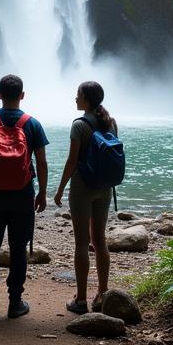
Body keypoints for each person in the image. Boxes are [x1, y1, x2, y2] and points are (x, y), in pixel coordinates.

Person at [0, 74, 49, 319]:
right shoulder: (32, 123)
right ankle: (15, 302)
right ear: (22, 95)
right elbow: (42, 162)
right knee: (18, 247)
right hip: (23, 194)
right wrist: (42, 193)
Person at [54, 81, 117, 315]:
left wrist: (60, 189)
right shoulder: (111, 122)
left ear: (86, 99)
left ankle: (81, 300)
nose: (75, 98)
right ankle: (102, 294)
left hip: (83, 186)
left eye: (77, 95)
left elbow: (72, 161)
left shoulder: (79, 125)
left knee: (81, 243)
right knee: (100, 240)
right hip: (105, 186)